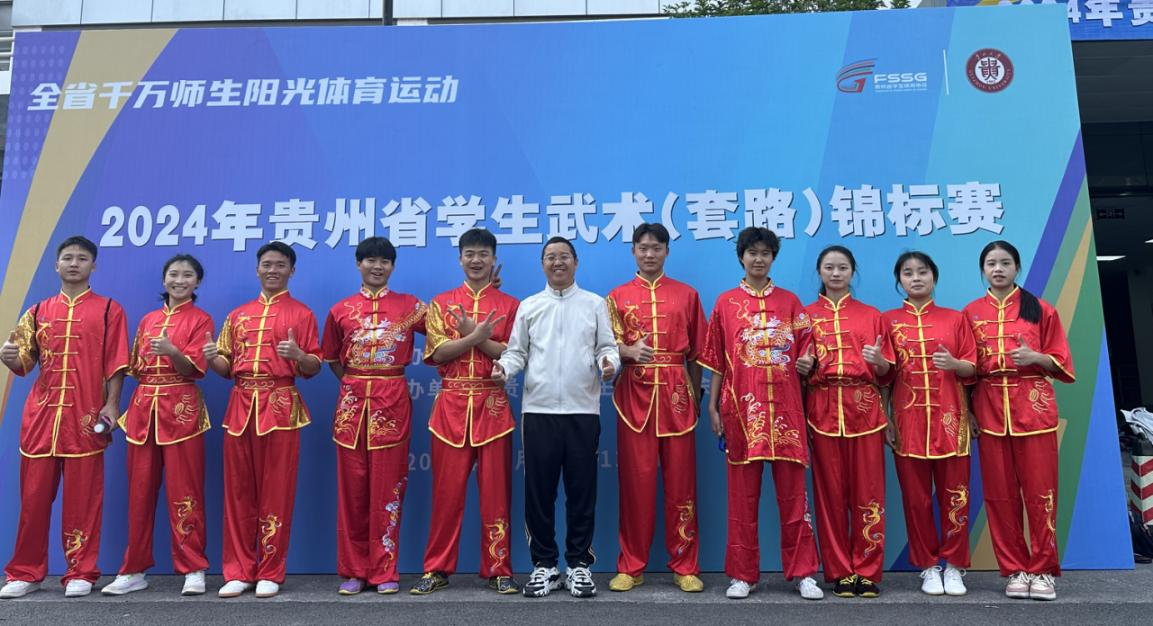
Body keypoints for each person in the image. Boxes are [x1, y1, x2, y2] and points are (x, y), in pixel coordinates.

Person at [0, 235, 129, 599]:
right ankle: (25, 572)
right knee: (33, 500)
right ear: (56, 265)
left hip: (86, 418)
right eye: (68, 257)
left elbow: (116, 363)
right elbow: (23, 363)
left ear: (93, 266)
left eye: (82, 258)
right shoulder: (37, 312)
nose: (74, 263)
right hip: (41, 419)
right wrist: (9, 357)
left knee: (83, 501)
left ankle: (81, 572)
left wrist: (112, 404)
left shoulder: (109, 310)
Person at [699, 227, 823, 601]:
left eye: (765, 253)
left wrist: (808, 361)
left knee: (794, 498)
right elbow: (716, 361)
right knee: (742, 499)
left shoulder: (791, 303)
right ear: (741, 257)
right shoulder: (725, 304)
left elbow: (810, 348)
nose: (758, 259)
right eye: (752, 252)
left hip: (787, 412)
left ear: (773, 258)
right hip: (741, 412)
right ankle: (742, 574)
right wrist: (712, 406)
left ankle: (803, 572)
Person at [493, 236, 620, 599]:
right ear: (542, 264)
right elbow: (516, 352)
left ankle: (579, 564)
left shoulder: (594, 304)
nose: (558, 262)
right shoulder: (530, 306)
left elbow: (607, 347)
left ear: (576, 263)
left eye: (564, 256)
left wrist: (609, 363)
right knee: (539, 492)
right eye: (551, 257)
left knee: (581, 492)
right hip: (539, 412)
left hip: (583, 412)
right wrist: (504, 368)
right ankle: (545, 565)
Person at [207, 241, 322, 599]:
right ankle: (238, 570)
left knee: (278, 491)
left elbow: (314, 367)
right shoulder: (237, 315)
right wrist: (211, 357)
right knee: (237, 492)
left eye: (281, 265)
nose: (273, 270)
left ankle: (271, 570)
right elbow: (226, 367)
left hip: (281, 405)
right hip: (241, 405)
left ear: (292, 271)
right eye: (267, 264)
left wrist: (298, 355)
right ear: (257, 269)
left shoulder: (302, 314)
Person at [962, 240, 1074, 601]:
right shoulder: (971, 313)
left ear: (1017, 267)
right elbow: (966, 369)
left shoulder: (1040, 309)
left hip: (1034, 409)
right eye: (991, 263)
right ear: (982, 269)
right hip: (989, 410)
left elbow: (1062, 360)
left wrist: (1036, 357)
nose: (998, 269)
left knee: (1041, 494)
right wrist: (968, 411)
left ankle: (1043, 570)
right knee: (1000, 496)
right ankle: (1015, 569)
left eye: (1005, 262)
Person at [411, 228, 519, 596]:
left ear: (493, 259)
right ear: (459, 259)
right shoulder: (441, 303)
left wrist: (475, 336)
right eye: (469, 253)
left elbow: (513, 354)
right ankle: (436, 568)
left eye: (483, 254)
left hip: (493, 405)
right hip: (451, 407)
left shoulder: (510, 305)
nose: (476, 260)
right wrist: (477, 338)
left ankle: (499, 569)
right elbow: (438, 352)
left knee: (496, 493)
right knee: (446, 494)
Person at [101, 255, 214, 597]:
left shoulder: (201, 319)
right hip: (142, 412)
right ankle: (133, 569)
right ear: (164, 280)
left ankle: (193, 567)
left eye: (188, 275)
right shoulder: (148, 320)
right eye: (174, 274)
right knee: (139, 493)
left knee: (186, 491)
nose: (180, 280)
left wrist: (172, 350)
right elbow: (134, 367)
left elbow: (194, 369)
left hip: (181, 411)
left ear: (197, 282)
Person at [321, 237, 427, 596]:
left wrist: (488, 288)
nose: (377, 266)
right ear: (358, 264)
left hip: (392, 404)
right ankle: (353, 571)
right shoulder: (340, 310)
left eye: (384, 261)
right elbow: (332, 358)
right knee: (351, 493)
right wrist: (356, 382)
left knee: (388, 488)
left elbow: (445, 328)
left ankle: (384, 571)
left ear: (392, 267)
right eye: (370, 260)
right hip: (351, 409)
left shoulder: (410, 306)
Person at [605, 223, 707, 594]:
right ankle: (631, 565)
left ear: (667, 251)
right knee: (636, 487)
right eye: (643, 247)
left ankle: (685, 564)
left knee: (683, 488)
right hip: (634, 399)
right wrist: (626, 351)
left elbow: (698, 354)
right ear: (633, 251)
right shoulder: (616, 297)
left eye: (656, 247)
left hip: (678, 398)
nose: (649, 254)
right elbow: (604, 347)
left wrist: (694, 398)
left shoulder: (687, 295)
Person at [798, 245, 893, 598]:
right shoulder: (805, 316)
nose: (836, 273)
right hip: (821, 411)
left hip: (865, 410)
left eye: (842, 267)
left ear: (853, 271)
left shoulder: (872, 315)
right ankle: (839, 571)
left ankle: (867, 570)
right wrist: (803, 368)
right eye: (829, 267)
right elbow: (795, 371)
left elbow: (887, 373)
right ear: (819, 272)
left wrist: (878, 361)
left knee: (870, 493)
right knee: (829, 496)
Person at [881, 251, 977, 597]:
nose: (916, 278)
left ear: (934, 277)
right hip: (908, 422)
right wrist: (885, 418)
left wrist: (954, 364)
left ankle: (955, 565)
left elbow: (973, 368)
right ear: (899, 280)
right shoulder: (888, 321)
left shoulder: (956, 319)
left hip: (951, 421)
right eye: (908, 273)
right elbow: (885, 377)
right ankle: (927, 566)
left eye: (922, 272)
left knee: (956, 497)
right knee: (916, 500)